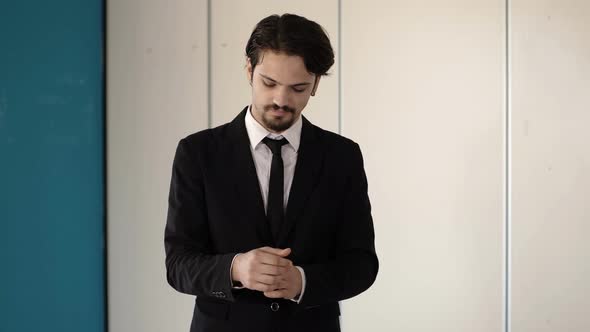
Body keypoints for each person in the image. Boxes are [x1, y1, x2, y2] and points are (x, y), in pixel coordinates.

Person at [165, 13, 378, 332]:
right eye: (269, 83)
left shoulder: (341, 156)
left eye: (298, 88)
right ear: (249, 71)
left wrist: (302, 281)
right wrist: (235, 268)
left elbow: (362, 264)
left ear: (316, 83)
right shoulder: (198, 153)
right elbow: (178, 264)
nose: (281, 99)